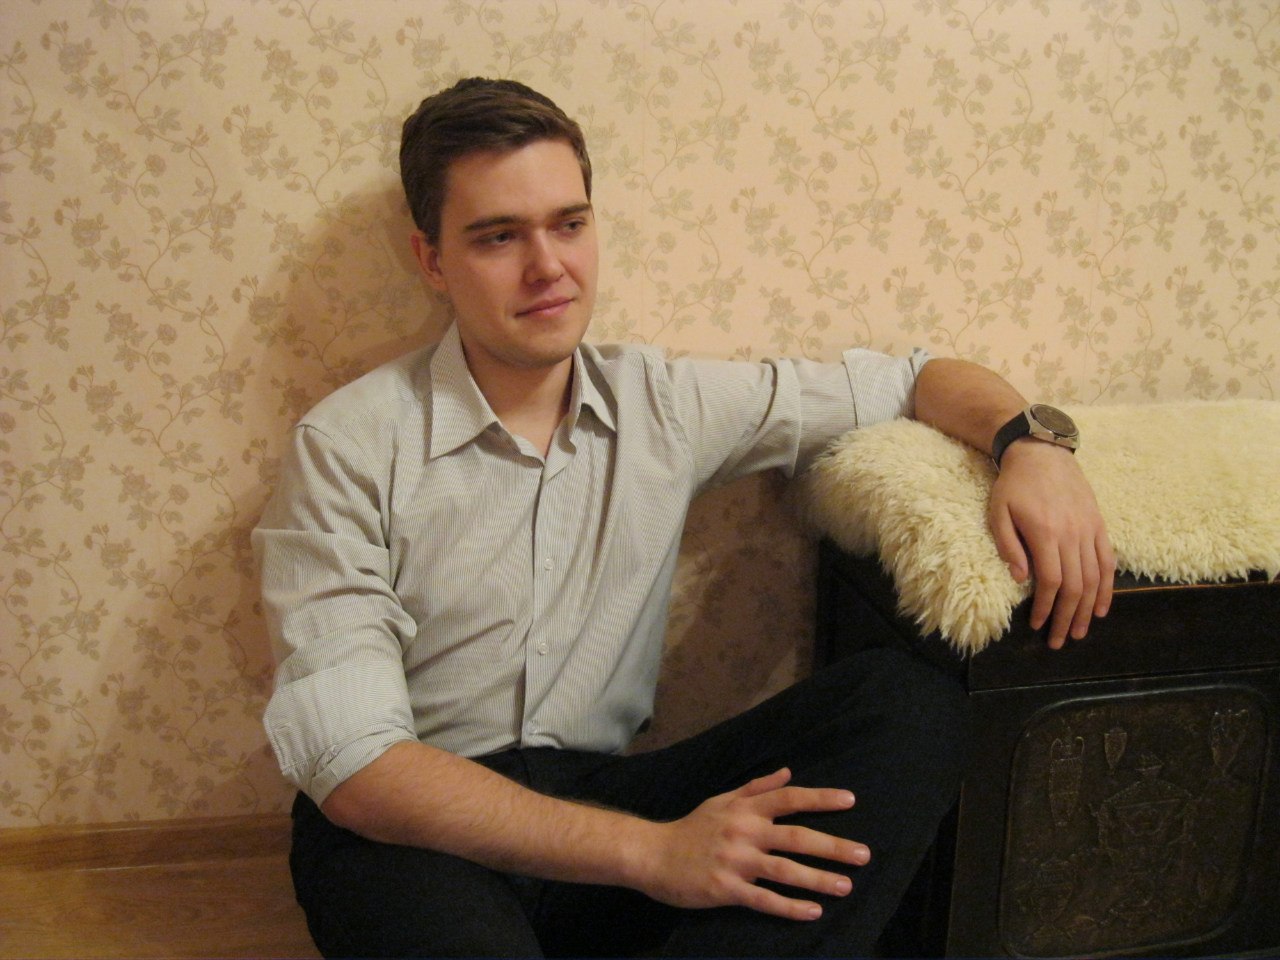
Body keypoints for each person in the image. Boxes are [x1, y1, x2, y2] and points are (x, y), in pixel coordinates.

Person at [253, 77, 1114, 958]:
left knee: (908, 708)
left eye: (569, 224)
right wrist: (655, 855)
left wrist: (1033, 444)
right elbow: (357, 771)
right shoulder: (348, 445)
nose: (548, 266)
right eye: (498, 237)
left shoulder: (664, 402)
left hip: (603, 796)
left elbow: (912, 379)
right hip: (413, 836)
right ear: (432, 260)